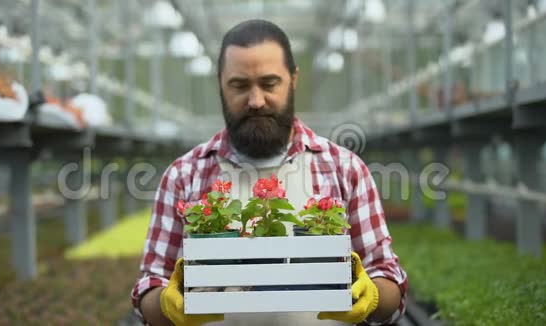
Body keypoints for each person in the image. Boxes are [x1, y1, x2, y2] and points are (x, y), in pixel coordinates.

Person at [131, 19, 407, 326]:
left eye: (269, 83)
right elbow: (148, 288)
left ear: (293, 79)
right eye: (239, 85)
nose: (256, 101)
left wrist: (374, 295)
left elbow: (389, 280)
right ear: (220, 82)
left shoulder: (345, 169)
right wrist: (165, 304)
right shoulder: (184, 175)